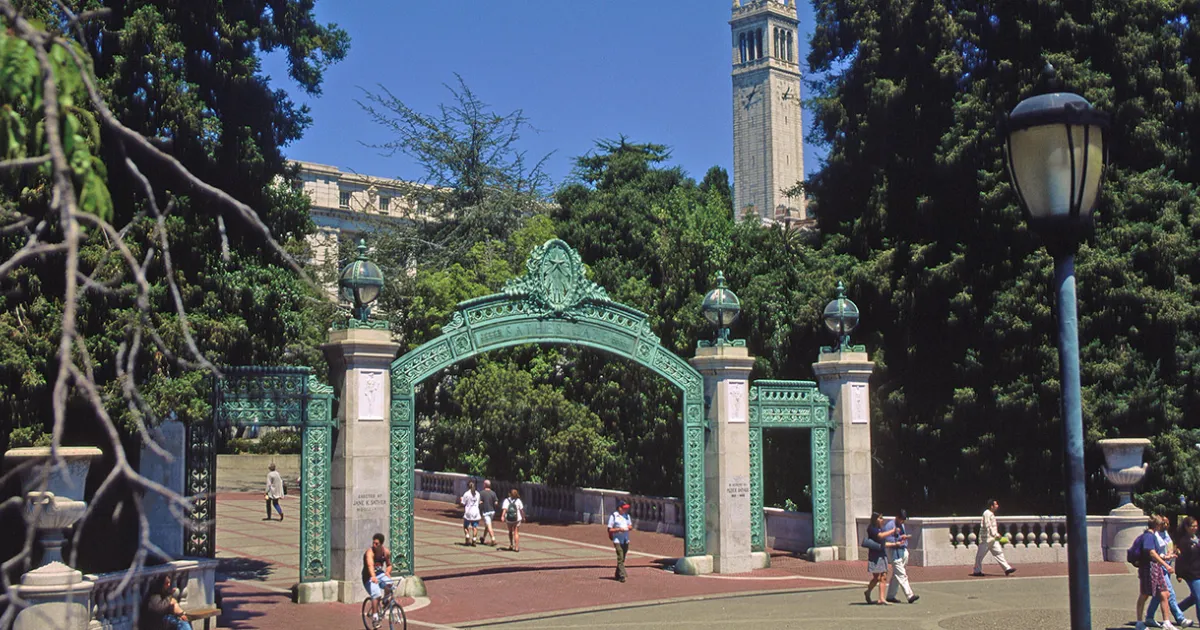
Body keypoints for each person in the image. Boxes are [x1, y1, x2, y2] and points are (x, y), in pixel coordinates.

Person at [1146, 514, 1196, 628]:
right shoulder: (1154, 535)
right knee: (1170, 593)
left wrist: (1173, 552)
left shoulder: (1166, 534)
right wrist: (1165, 558)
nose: (1166, 525)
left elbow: (1168, 546)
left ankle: (1149, 617)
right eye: (1164, 523)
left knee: (1159, 595)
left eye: (1167, 523)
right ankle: (1180, 618)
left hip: (1166, 566)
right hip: (1159, 567)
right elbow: (1154, 553)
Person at [1136, 516, 1181, 630]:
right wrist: (1166, 564)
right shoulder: (1149, 536)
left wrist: (1166, 557)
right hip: (1149, 568)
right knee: (1145, 594)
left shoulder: (1152, 536)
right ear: (1156, 525)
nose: (1163, 526)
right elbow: (1151, 553)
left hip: (1156, 567)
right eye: (1161, 524)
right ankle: (1140, 622)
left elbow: (1156, 554)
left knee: (1165, 593)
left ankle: (1166, 622)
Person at [971, 499, 1015, 576]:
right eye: (996, 504)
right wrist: (995, 534)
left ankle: (1007, 568)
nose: (997, 506)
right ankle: (977, 571)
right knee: (980, 556)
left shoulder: (991, 513)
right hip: (986, 539)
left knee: (999, 553)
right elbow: (988, 525)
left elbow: (993, 527)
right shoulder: (987, 513)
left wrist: (996, 535)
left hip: (993, 539)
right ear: (991, 506)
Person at [884, 509, 919, 604]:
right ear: (897, 517)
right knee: (901, 574)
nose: (902, 521)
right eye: (901, 519)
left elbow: (901, 536)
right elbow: (887, 539)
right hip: (894, 552)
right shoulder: (889, 525)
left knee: (897, 575)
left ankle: (890, 596)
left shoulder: (902, 525)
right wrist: (899, 539)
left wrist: (904, 538)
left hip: (902, 550)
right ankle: (909, 595)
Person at [863, 512, 897, 605]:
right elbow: (880, 536)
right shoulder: (872, 529)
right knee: (876, 577)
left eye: (882, 518)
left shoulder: (880, 529)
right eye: (880, 518)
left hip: (882, 554)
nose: (882, 520)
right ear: (875, 519)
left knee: (884, 576)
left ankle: (881, 598)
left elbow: (883, 543)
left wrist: (895, 544)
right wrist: (892, 531)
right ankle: (868, 591)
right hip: (874, 555)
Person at [363, 532, 394, 628]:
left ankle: (385, 601)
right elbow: (370, 565)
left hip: (380, 574)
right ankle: (375, 618)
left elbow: (389, 565)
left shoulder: (386, 552)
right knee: (376, 594)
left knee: (390, 584)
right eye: (373, 543)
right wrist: (373, 576)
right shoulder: (370, 553)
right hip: (368, 577)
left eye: (377, 544)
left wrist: (388, 572)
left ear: (381, 544)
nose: (374, 545)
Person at [1176, 516, 1200, 626]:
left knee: (1194, 597)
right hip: (1191, 573)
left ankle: (1177, 609)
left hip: (1198, 570)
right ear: (1186, 527)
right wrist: (1179, 574)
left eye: (1196, 526)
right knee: (1199, 597)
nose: (1195, 528)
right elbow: (1181, 559)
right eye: (1192, 526)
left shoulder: (1196, 538)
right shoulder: (1184, 541)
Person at [608, 500, 633, 583]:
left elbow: (630, 526)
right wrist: (618, 529)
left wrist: (628, 528)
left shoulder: (627, 516)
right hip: (617, 539)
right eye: (623, 508)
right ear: (619, 508)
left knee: (623, 558)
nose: (625, 510)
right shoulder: (614, 516)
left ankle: (617, 573)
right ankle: (622, 575)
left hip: (625, 539)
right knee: (620, 556)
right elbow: (609, 529)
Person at [501, 488, 525, 552]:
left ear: (510, 494)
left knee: (510, 531)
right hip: (517, 518)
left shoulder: (506, 500)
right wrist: (523, 517)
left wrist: (502, 516)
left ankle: (511, 544)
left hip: (509, 519)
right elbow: (521, 510)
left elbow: (505, 509)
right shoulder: (518, 500)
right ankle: (516, 547)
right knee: (516, 532)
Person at [460, 480, 482, 547]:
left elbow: (463, 503)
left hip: (468, 512)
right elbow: (478, 502)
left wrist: (461, 500)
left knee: (466, 526)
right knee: (475, 527)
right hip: (475, 512)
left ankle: (467, 535)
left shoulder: (466, 494)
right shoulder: (478, 494)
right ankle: (474, 539)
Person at [479, 480, 499, 546]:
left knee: (489, 526)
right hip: (492, 512)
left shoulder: (481, 493)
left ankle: (493, 539)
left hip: (486, 512)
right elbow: (496, 502)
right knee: (487, 526)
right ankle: (483, 537)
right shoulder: (493, 493)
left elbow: (480, 502)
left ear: (485, 485)